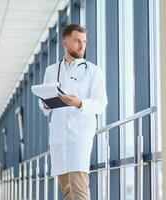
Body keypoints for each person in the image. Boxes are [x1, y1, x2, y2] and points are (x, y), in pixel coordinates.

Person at [38, 24, 108, 200]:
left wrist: (79, 103)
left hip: (79, 138)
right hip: (58, 140)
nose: (82, 45)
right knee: (68, 192)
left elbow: (100, 104)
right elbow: (43, 104)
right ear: (65, 43)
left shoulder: (93, 71)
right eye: (77, 41)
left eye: (84, 41)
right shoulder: (51, 71)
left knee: (79, 191)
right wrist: (46, 103)